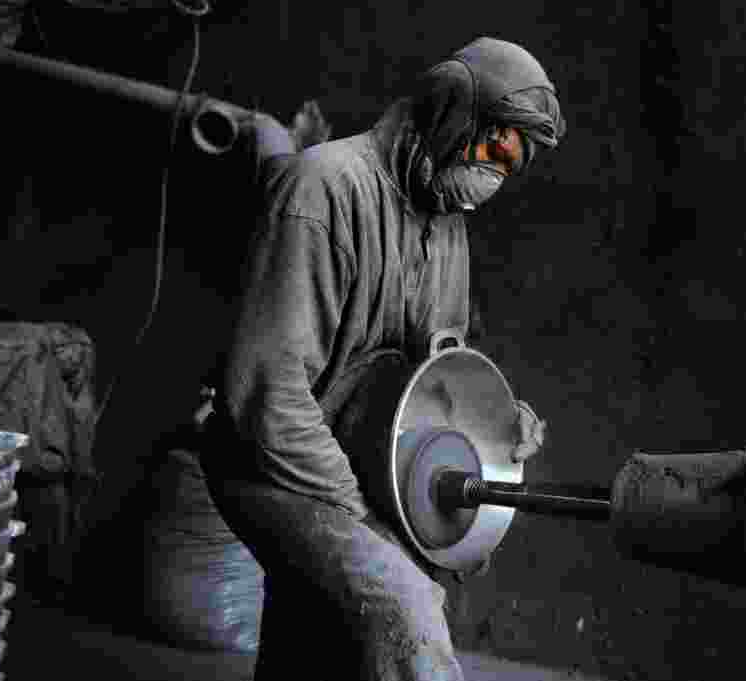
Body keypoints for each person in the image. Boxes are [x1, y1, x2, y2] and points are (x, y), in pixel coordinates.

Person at [200, 36, 565, 681]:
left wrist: (493, 424)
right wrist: (367, 516)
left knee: (322, 632)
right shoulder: (321, 191)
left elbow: (432, 371)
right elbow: (267, 396)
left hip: (360, 451)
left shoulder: (447, 221)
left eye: (512, 168)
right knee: (404, 603)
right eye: (491, 150)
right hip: (272, 463)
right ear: (451, 111)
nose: (493, 178)